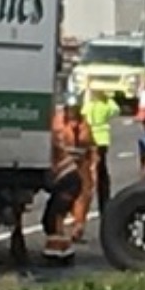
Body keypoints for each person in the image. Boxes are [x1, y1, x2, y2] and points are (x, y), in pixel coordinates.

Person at [43, 107, 83, 264]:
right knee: (53, 217)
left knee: (54, 217)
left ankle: (59, 252)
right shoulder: (52, 139)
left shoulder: (50, 142)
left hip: (69, 181)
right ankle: (62, 250)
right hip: (67, 180)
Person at [61, 94, 96, 243]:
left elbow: (92, 147)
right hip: (63, 166)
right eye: (70, 109)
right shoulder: (59, 124)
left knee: (83, 195)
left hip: (82, 166)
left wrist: (94, 165)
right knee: (63, 196)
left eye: (75, 109)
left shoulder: (85, 126)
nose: (72, 112)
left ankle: (78, 226)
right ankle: (59, 228)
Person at [81, 88, 120, 214]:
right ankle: (104, 201)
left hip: (89, 139)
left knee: (88, 169)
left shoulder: (89, 106)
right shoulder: (105, 106)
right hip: (102, 139)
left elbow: (83, 114)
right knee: (102, 172)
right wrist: (108, 99)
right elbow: (116, 110)